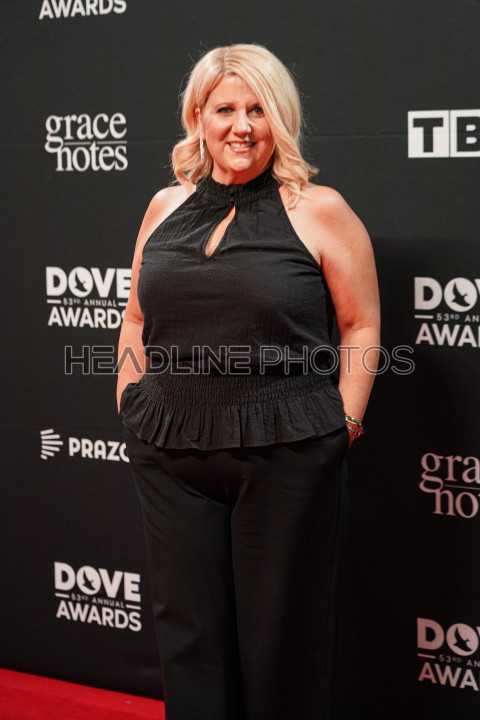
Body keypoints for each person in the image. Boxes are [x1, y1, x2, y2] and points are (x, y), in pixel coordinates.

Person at [117, 43, 380, 720]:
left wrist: (345, 423)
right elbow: (136, 317)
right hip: (170, 454)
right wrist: (131, 400)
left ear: (279, 119)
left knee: (278, 648)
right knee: (190, 644)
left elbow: (360, 326)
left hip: (286, 455)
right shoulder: (164, 206)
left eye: (258, 109)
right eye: (225, 109)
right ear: (197, 118)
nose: (241, 126)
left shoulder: (319, 209)